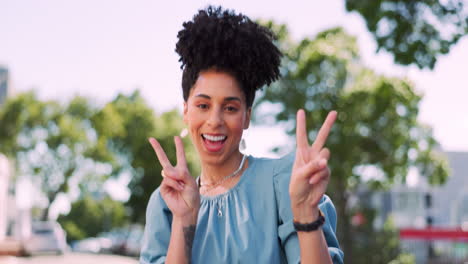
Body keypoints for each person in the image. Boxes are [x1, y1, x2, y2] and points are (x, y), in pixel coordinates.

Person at [140, 5, 344, 264]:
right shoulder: (165, 203)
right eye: (203, 105)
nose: (214, 121)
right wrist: (184, 220)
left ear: (247, 115)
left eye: (230, 108)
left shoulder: (284, 183)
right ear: (186, 111)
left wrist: (305, 214)